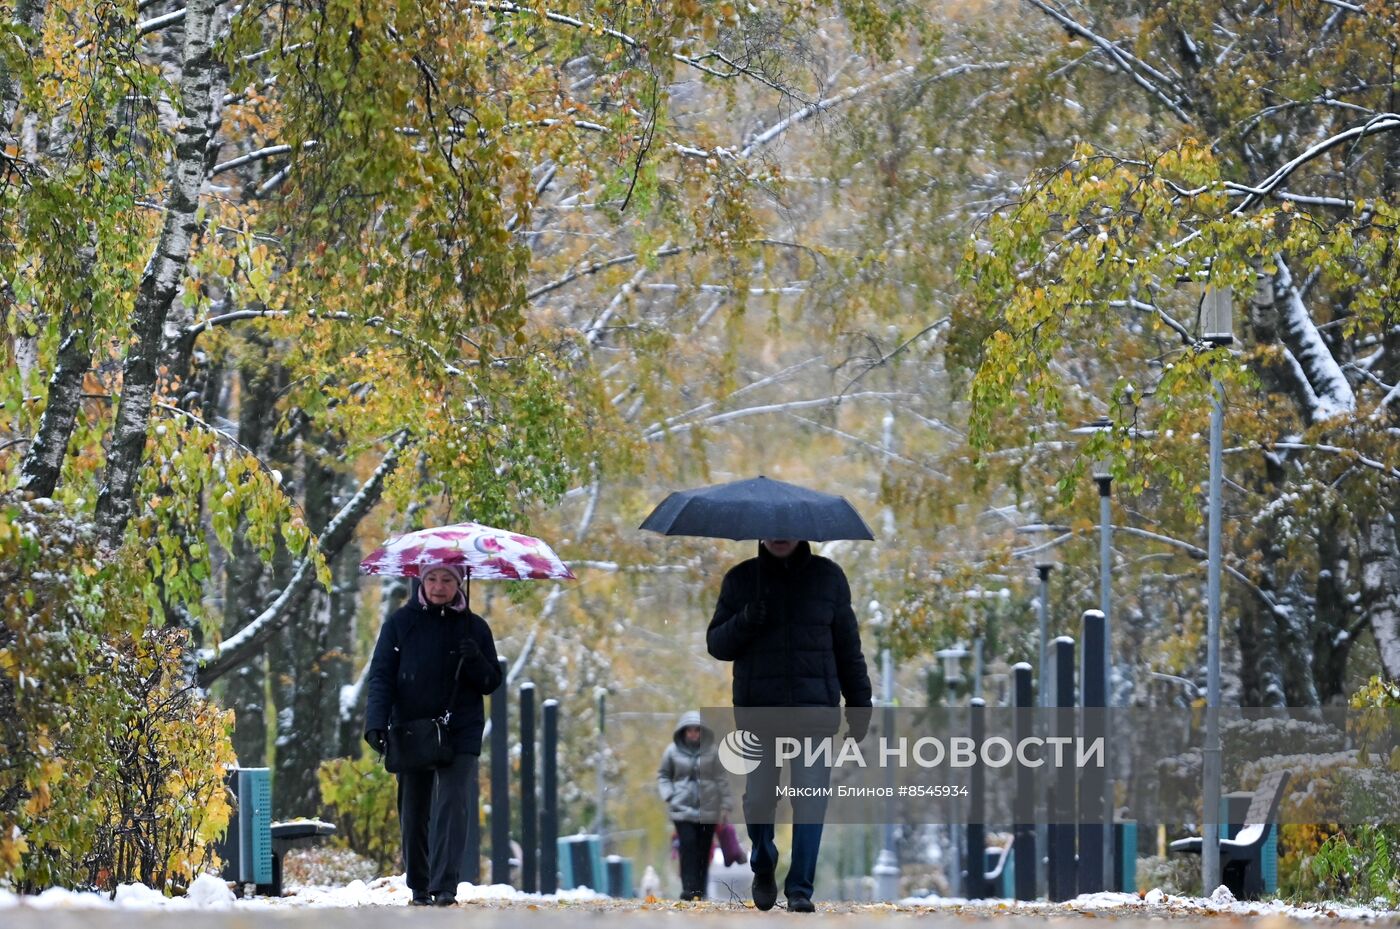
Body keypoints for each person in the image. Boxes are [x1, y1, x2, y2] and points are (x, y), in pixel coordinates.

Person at [706, 539, 873, 913]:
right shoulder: (741, 579)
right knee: (760, 799)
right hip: (758, 714)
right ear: (760, 533)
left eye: (789, 529)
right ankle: (763, 862)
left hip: (814, 714)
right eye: (772, 530)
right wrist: (747, 618)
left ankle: (800, 889)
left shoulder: (828, 578)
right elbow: (717, 644)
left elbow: (848, 647)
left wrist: (860, 704)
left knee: (810, 800)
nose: (781, 535)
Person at [364, 562, 502, 906]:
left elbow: (490, 682)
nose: (439, 586)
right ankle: (420, 885)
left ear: (459, 584)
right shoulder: (400, 624)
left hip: (461, 728)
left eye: (447, 580)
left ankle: (445, 887)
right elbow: (381, 676)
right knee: (413, 808)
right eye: (432, 578)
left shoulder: (475, 627)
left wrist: (475, 660)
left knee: (453, 803)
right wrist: (375, 722)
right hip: (412, 727)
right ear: (420, 581)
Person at [657, 711, 733, 901]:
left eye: (696, 730)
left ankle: (700, 889)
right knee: (687, 846)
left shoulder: (713, 751)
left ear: (702, 732)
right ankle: (688, 889)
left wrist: (725, 804)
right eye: (689, 731)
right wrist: (669, 794)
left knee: (703, 850)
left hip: (709, 809)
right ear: (683, 732)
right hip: (681, 809)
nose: (692, 734)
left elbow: (722, 779)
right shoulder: (671, 751)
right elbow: (664, 775)